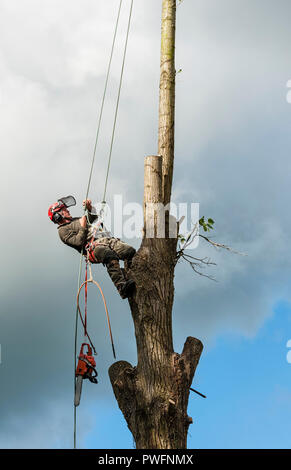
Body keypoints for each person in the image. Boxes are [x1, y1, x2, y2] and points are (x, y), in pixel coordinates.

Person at [48, 196, 136, 299]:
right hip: (93, 248)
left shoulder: (75, 220)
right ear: (58, 216)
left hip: (105, 240)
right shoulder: (63, 231)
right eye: (64, 210)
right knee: (108, 255)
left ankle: (133, 274)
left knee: (130, 251)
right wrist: (83, 226)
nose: (67, 210)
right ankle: (122, 287)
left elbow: (92, 218)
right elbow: (79, 242)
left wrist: (89, 208)